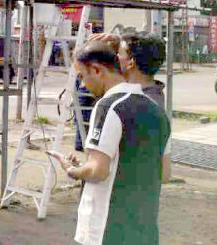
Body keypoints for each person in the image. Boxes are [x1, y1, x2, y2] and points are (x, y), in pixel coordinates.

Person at [53, 40, 170, 245]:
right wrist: (87, 166)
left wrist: (72, 170)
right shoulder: (159, 111)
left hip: (108, 229)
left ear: (97, 70)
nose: (82, 84)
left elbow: (98, 171)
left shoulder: (109, 106)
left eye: (82, 76)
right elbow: (165, 173)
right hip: (145, 229)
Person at [118, 31, 172, 182]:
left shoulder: (139, 105)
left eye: (119, 53)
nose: (116, 57)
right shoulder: (154, 98)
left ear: (131, 62)